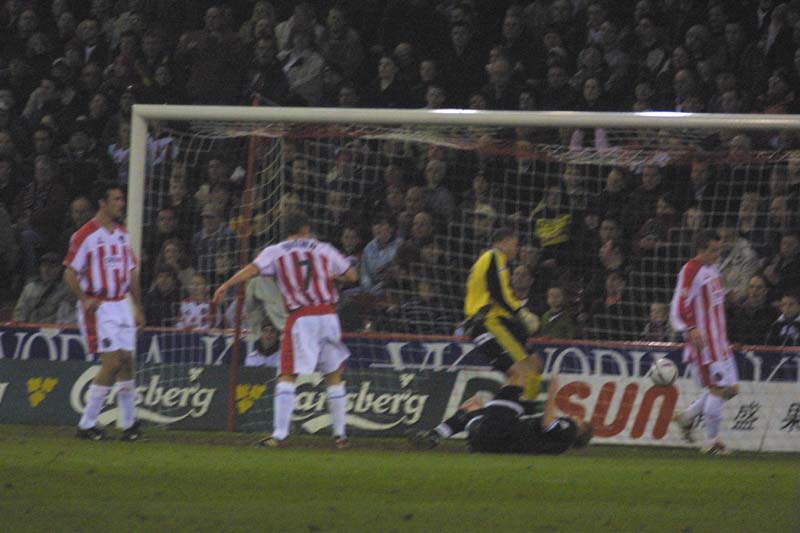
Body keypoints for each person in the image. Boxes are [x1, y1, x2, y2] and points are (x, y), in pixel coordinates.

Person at [213, 210, 357, 448]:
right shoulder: (323, 248)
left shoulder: (276, 251)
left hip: (301, 317)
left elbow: (252, 270)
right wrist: (330, 277)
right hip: (328, 315)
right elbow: (352, 275)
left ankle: (279, 435)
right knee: (333, 375)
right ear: (306, 229)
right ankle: (340, 436)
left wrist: (226, 285)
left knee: (287, 374)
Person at [410, 227, 542, 448]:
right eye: (515, 244)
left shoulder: (485, 261)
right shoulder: (494, 256)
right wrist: (520, 312)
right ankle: (523, 429)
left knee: (528, 370)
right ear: (504, 242)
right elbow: (498, 291)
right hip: (489, 323)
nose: (516, 249)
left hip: (489, 324)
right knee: (524, 373)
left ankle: (438, 434)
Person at [63, 181, 144, 441]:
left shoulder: (122, 234)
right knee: (112, 362)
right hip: (100, 305)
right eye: (117, 200)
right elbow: (69, 272)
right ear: (103, 203)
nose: (121, 204)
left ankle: (129, 425)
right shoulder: (84, 235)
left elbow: (131, 272)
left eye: (122, 199)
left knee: (127, 362)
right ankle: (86, 424)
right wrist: (84, 298)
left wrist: (138, 306)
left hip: (121, 303)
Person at [411, 358, 593, 454]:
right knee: (471, 406)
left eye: (581, 421)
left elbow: (547, 423)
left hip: (504, 428)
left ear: (581, 430)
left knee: (518, 375)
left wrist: (553, 391)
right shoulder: (558, 445)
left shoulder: (568, 430)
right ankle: (436, 435)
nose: (577, 417)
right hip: (486, 442)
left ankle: (492, 348)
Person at [670, 230, 739, 455]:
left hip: (721, 341)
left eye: (718, 250)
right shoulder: (691, 269)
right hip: (706, 343)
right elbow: (681, 303)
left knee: (731, 389)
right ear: (701, 250)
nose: (717, 254)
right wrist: (690, 329)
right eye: (713, 250)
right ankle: (711, 442)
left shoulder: (712, 269)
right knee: (718, 389)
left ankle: (687, 417)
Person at [13, 251, 72, 323]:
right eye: (44, 265)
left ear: (60, 268)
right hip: (29, 329)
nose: (47, 269)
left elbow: (66, 314)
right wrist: (20, 326)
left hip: (54, 329)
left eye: (52, 266)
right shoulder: (30, 288)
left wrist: (45, 323)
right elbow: (19, 312)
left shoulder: (67, 289)